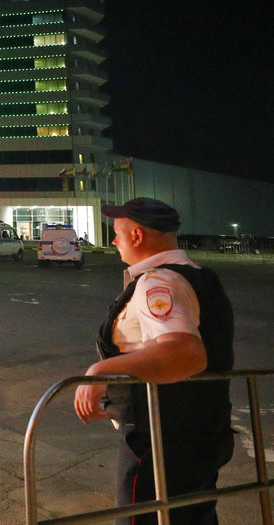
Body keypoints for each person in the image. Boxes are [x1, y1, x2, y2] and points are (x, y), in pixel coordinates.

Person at [73, 197, 234, 525]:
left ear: (137, 236)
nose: (114, 240)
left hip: (159, 441)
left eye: (117, 233)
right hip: (201, 431)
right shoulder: (199, 276)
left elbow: (184, 353)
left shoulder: (159, 282)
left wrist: (100, 371)